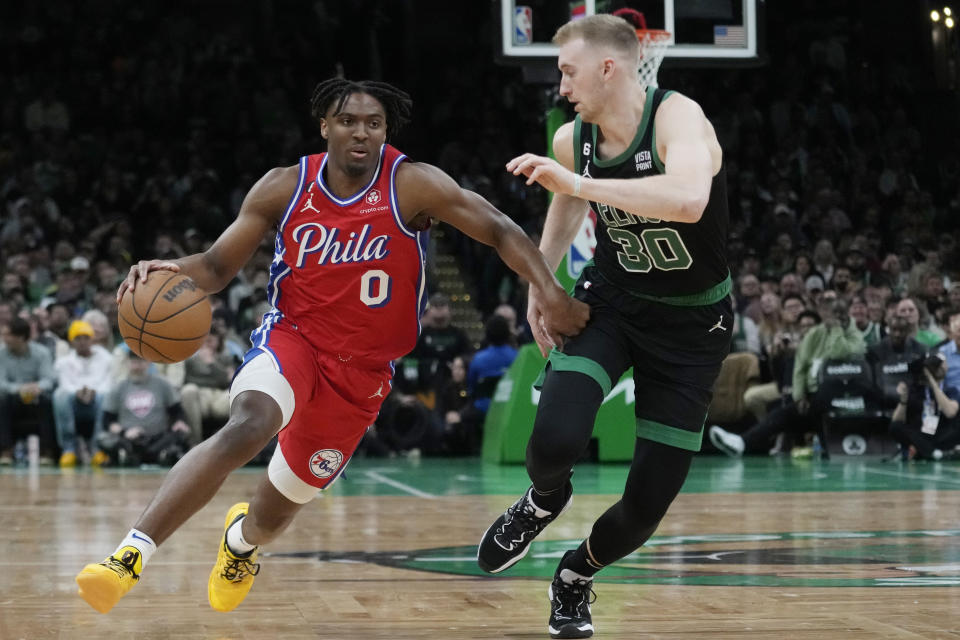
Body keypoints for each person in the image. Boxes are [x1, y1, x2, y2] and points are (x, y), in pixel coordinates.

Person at [75, 78, 588, 615]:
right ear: (325, 126)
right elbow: (214, 268)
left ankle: (240, 544)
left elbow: (501, 230)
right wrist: (166, 269)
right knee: (248, 424)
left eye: (374, 124)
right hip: (293, 338)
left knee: (272, 518)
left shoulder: (413, 184)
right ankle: (127, 558)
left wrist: (549, 292)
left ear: (386, 132)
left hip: (363, 373)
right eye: (348, 121)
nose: (361, 133)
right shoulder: (282, 187)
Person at [475, 15, 731, 639]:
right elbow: (566, 201)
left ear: (609, 67)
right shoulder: (572, 138)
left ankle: (575, 575)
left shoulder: (678, 117)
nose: (562, 85)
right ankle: (543, 498)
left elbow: (690, 197)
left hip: (692, 324)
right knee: (554, 440)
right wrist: (544, 278)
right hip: (613, 303)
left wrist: (583, 183)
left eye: (568, 70)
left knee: (645, 506)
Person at [53, 320, 112, 467]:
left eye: (86, 338)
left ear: (92, 339)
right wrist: (78, 392)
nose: (82, 342)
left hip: (97, 401)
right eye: (78, 339)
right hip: (73, 403)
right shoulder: (64, 362)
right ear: (71, 342)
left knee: (105, 396)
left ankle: (98, 448)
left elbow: (109, 383)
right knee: (59, 395)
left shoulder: (106, 358)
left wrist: (93, 391)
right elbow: (64, 384)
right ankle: (69, 449)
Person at [0, 317, 57, 465]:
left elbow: (49, 380)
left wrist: (37, 387)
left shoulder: (42, 353)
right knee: (3, 400)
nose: (3, 338)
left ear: (21, 337)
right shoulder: (1, 353)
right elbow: (1, 383)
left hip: (36, 397)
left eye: (7, 335)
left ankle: (47, 452)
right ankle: (6, 451)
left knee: (47, 400)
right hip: (13, 398)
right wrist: (21, 389)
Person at [889, 352, 960, 460]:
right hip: (921, 434)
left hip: (942, 434)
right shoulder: (914, 389)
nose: (940, 368)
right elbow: (897, 420)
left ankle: (922, 451)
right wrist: (903, 399)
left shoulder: (950, 390)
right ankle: (935, 454)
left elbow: (950, 412)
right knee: (895, 427)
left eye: (941, 365)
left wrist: (933, 382)